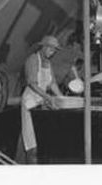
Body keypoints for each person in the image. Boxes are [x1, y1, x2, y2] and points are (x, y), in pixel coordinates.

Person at [21, 35, 63, 163]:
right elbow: (32, 83)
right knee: (31, 141)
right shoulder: (33, 59)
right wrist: (48, 97)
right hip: (30, 103)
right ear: (43, 47)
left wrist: (62, 97)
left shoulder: (48, 63)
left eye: (55, 49)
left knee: (42, 137)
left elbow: (52, 83)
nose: (53, 51)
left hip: (41, 102)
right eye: (51, 48)